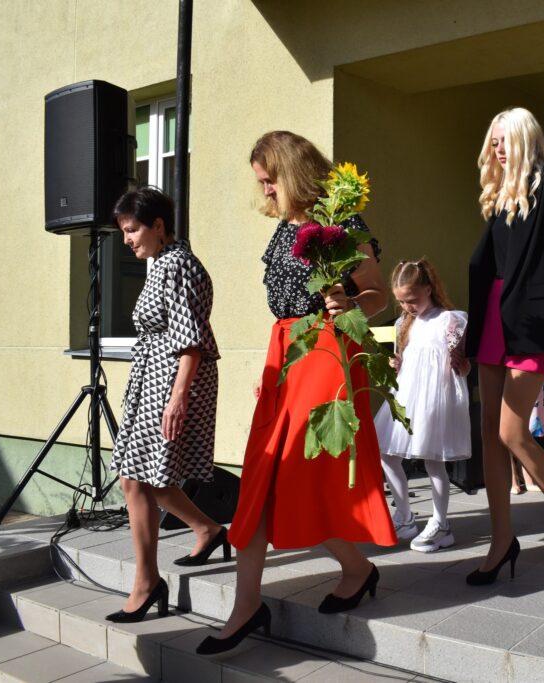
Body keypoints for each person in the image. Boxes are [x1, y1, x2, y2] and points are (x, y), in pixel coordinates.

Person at [196, 131, 395, 655]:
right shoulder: (283, 229)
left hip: (325, 350)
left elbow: (377, 295)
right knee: (262, 478)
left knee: (295, 475)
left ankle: (353, 569)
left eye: (270, 180)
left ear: (294, 172)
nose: (264, 191)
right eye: (261, 182)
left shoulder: (341, 221)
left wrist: (347, 303)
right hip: (284, 352)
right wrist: (273, 367)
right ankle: (251, 602)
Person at [465, 107, 544, 584]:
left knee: (513, 432)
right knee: (489, 437)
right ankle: (501, 540)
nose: (496, 149)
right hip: (492, 318)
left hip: (533, 320)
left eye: (503, 140)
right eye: (492, 141)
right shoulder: (499, 192)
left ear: (524, 139)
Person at [106, 187, 224, 623]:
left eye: (132, 230)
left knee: (139, 479)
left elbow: (191, 340)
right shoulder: (163, 262)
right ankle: (206, 530)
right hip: (154, 380)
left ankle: (147, 583)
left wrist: (177, 398)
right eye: (124, 231)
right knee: (141, 478)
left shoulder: (178, 265)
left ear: (158, 226)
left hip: (172, 381)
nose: (127, 240)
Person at [374, 258, 471, 552]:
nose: (407, 307)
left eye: (412, 300)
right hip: (406, 395)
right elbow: (407, 360)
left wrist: (461, 364)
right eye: (402, 302)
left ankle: (441, 524)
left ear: (428, 289)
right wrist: (396, 363)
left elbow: (464, 367)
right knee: (386, 453)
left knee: (433, 460)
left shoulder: (450, 320)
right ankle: (404, 516)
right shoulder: (405, 323)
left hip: (434, 399)